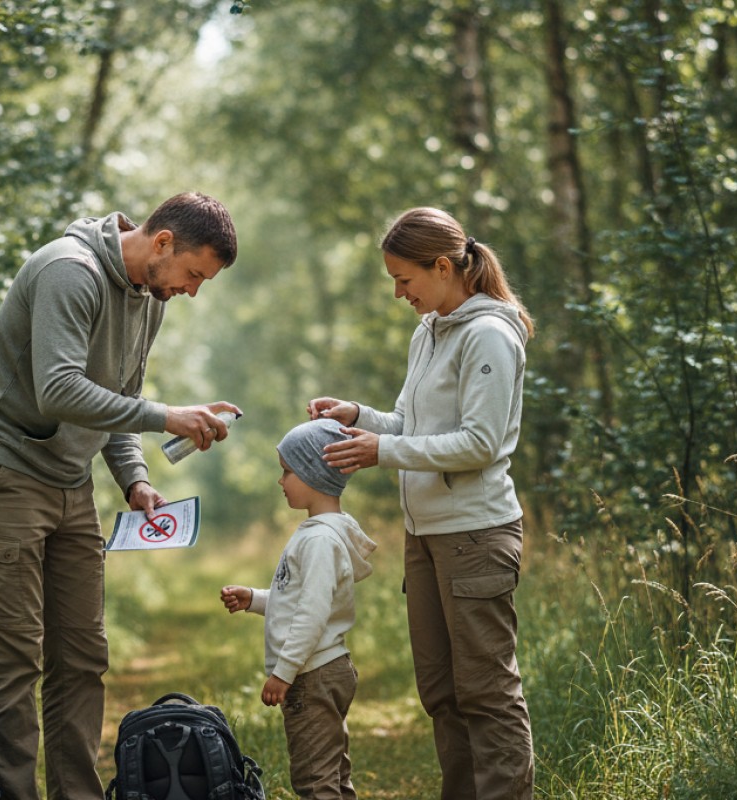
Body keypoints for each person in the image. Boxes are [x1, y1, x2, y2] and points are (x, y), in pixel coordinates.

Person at [0, 192, 241, 800]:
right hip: (2, 472)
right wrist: (168, 417)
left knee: (81, 656)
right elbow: (59, 390)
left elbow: (116, 400)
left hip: (69, 480)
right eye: (193, 274)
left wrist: (133, 478)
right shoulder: (69, 271)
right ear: (163, 243)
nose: (192, 290)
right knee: (12, 662)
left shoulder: (149, 297)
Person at [308, 206, 536, 800]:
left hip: (476, 534)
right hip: (426, 536)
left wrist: (383, 450)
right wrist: (358, 417)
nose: (398, 293)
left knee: (486, 693)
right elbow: (410, 424)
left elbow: (480, 443)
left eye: (404, 279)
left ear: (442, 266)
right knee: (441, 692)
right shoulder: (428, 330)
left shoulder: (489, 334)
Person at [220, 418, 377, 800]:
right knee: (332, 769)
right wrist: (255, 599)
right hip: (326, 666)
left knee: (314, 776)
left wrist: (283, 672)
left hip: (312, 672)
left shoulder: (320, 540)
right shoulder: (320, 532)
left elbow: (311, 613)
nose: (281, 481)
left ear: (312, 474)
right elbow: (299, 599)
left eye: (287, 471)